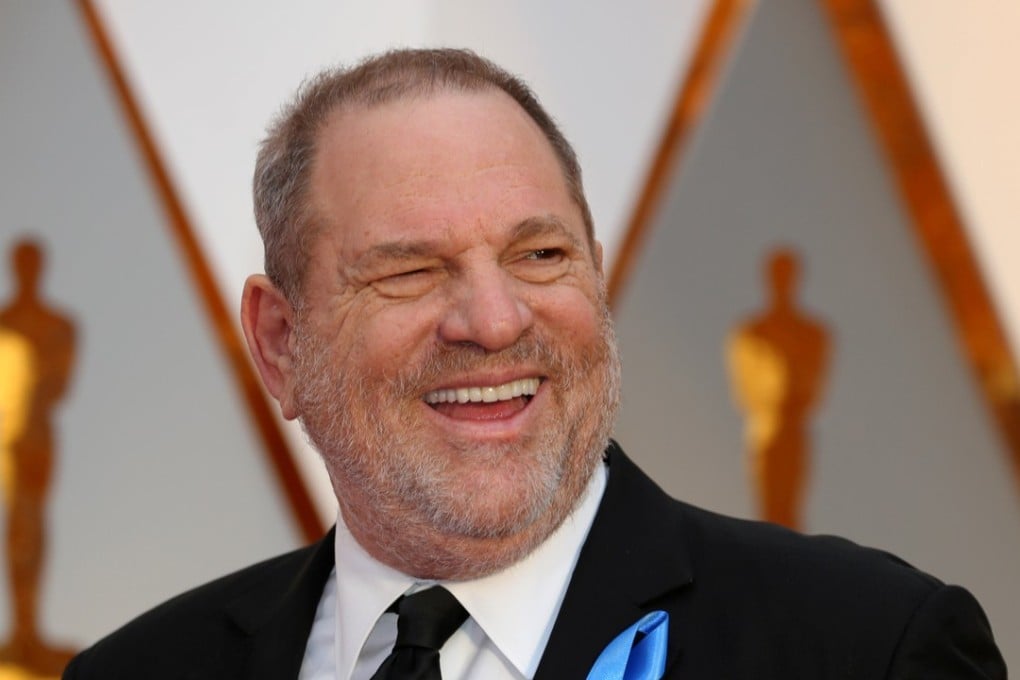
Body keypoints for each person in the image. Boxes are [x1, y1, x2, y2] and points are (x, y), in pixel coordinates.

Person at [63, 48, 1005, 679]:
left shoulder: (867, 650)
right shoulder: (136, 673)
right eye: (409, 271)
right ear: (280, 343)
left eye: (540, 255)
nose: (493, 318)